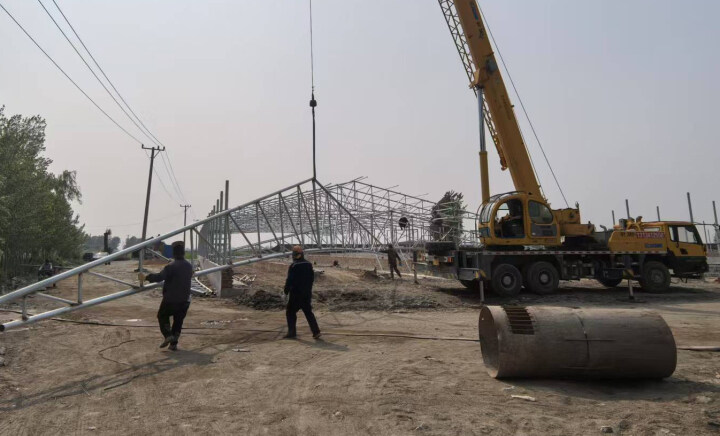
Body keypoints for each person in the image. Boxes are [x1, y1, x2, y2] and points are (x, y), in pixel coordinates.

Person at [139, 241, 193, 351]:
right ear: (183, 253)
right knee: (178, 321)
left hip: (171, 299)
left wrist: (146, 277)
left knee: (162, 316)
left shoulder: (171, 267)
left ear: (173, 254)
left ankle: (168, 335)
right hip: (185, 300)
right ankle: (173, 344)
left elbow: (159, 277)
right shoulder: (189, 266)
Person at [284, 245, 321, 339]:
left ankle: (292, 332)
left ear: (294, 255)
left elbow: (289, 280)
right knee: (308, 312)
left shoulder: (294, 266)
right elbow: (312, 278)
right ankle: (316, 332)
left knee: (290, 312)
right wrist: (308, 289)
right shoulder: (308, 264)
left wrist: (286, 291)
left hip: (295, 294)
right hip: (306, 294)